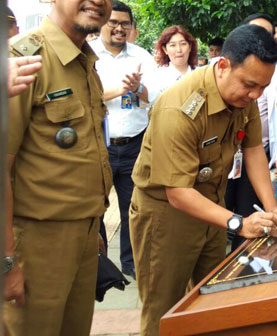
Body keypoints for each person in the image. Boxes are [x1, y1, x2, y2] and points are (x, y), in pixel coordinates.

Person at [129, 24, 277, 335]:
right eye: (249, 85)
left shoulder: (245, 98)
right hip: (166, 216)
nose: (256, 95)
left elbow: (254, 150)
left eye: (263, 87)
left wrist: (271, 211)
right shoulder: (179, 108)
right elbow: (178, 192)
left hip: (212, 207)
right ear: (222, 66)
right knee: (164, 310)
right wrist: (238, 223)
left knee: (213, 298)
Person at [4, 0, 113, 335]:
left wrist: (90, 227)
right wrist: (6, 262)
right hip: (35, 246)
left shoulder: (84, 62)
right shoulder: (22, 59)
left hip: (82, 237)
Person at [90, 0, 155, 279]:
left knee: (133, 207)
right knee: (96, 206)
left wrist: (138, 88)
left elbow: (154, 96)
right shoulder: (88, 54)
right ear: (103, 22)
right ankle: (101, 264)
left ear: (131, 28)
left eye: (125, 24)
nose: (119, 28)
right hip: (97, 144)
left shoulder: (142, 56)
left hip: (133, 145)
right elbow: (88, 94)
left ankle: (131, 263)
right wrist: (121, 89)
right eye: (113, 22)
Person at [225, 13, 277, 251]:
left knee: (247, 213)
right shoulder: (220, 78)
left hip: (256, 157)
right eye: (250, 86)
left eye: (269, 34)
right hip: (223, 162)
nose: (257, 94)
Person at [146, 25, 197, 105]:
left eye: (183, 44)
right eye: (172, 45)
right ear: (165, 49)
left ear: (190, 47)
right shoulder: (157, 77)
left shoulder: (200, 75)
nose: (179, 50)